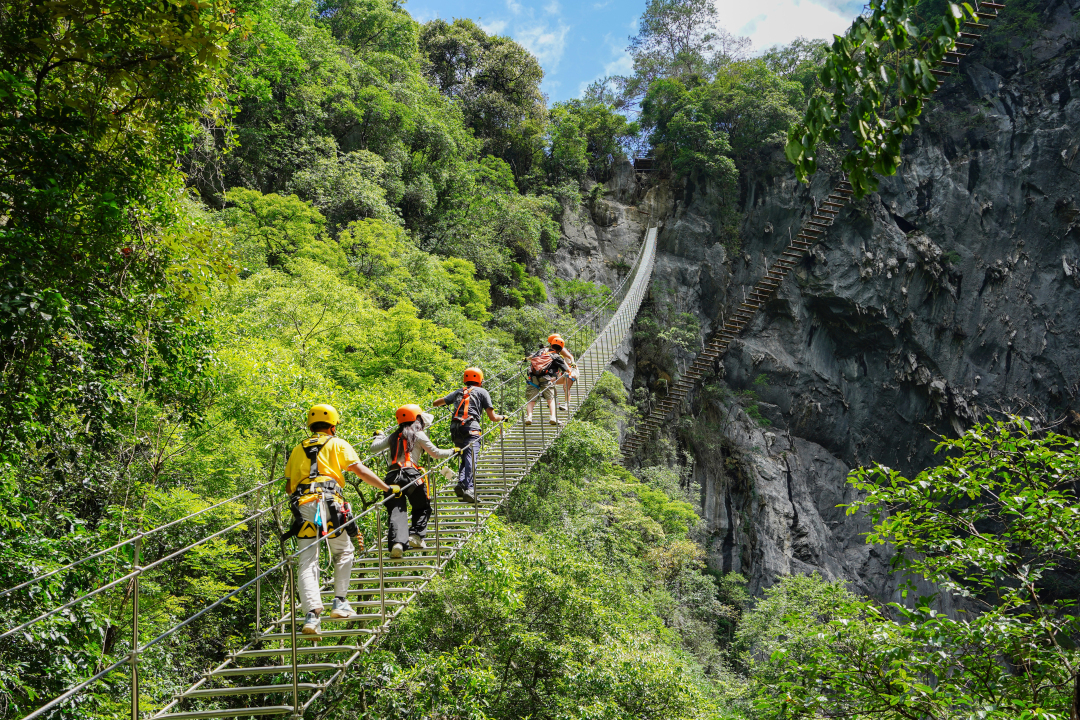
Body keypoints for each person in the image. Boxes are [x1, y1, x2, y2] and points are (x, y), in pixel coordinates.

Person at [283, 404, 390, 637]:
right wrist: (387, 488)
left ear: (311, 426)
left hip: (303, 507)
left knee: (307, 561)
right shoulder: (338, 443)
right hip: (331, 503)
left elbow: (289, 487)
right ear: (332, 426)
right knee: (343, 551)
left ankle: (311, 616)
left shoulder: (297, 449)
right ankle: (339, 602)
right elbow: (360, 470)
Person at [370, 404, 454, 559]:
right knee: (422, 506)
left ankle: (397, 543)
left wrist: (379, 436)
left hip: (391, 478)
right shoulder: (419, 434)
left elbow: (373, 448)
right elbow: (435, 453)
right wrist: (453, 451)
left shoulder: (393, 436)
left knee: (397, 511)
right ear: (417, 418)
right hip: (411, 476)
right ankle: (415, 536)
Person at [433, 367, 505, 504]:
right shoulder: (482, 392)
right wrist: (503, 417)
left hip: (455, 429)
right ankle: (469, 489)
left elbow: (436, 403)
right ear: (480, 380)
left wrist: (445, 402)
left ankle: (461, 484)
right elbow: (492, 417)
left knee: (465, 457)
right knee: (471, 459)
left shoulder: (458, 392)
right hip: (471, 429)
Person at [524, 336, 570, 425]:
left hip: (533, 377)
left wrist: (525, 359)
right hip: (546, 378)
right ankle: (553, 417)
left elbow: (531, 357)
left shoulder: (541, 351)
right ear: (560, 349)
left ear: (551, 345)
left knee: (531, 400)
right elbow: (567, 370)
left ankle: (529, 417)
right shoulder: (556, 356)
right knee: (550, 399)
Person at [548, 334, 578, 412]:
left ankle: (566, 405)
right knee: (550, 383)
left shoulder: (562, 350)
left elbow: (571, 356)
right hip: (563, 372)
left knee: (566, 387)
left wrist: (573, 362)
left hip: (571, 370)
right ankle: (556, 401)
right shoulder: (553, 351)